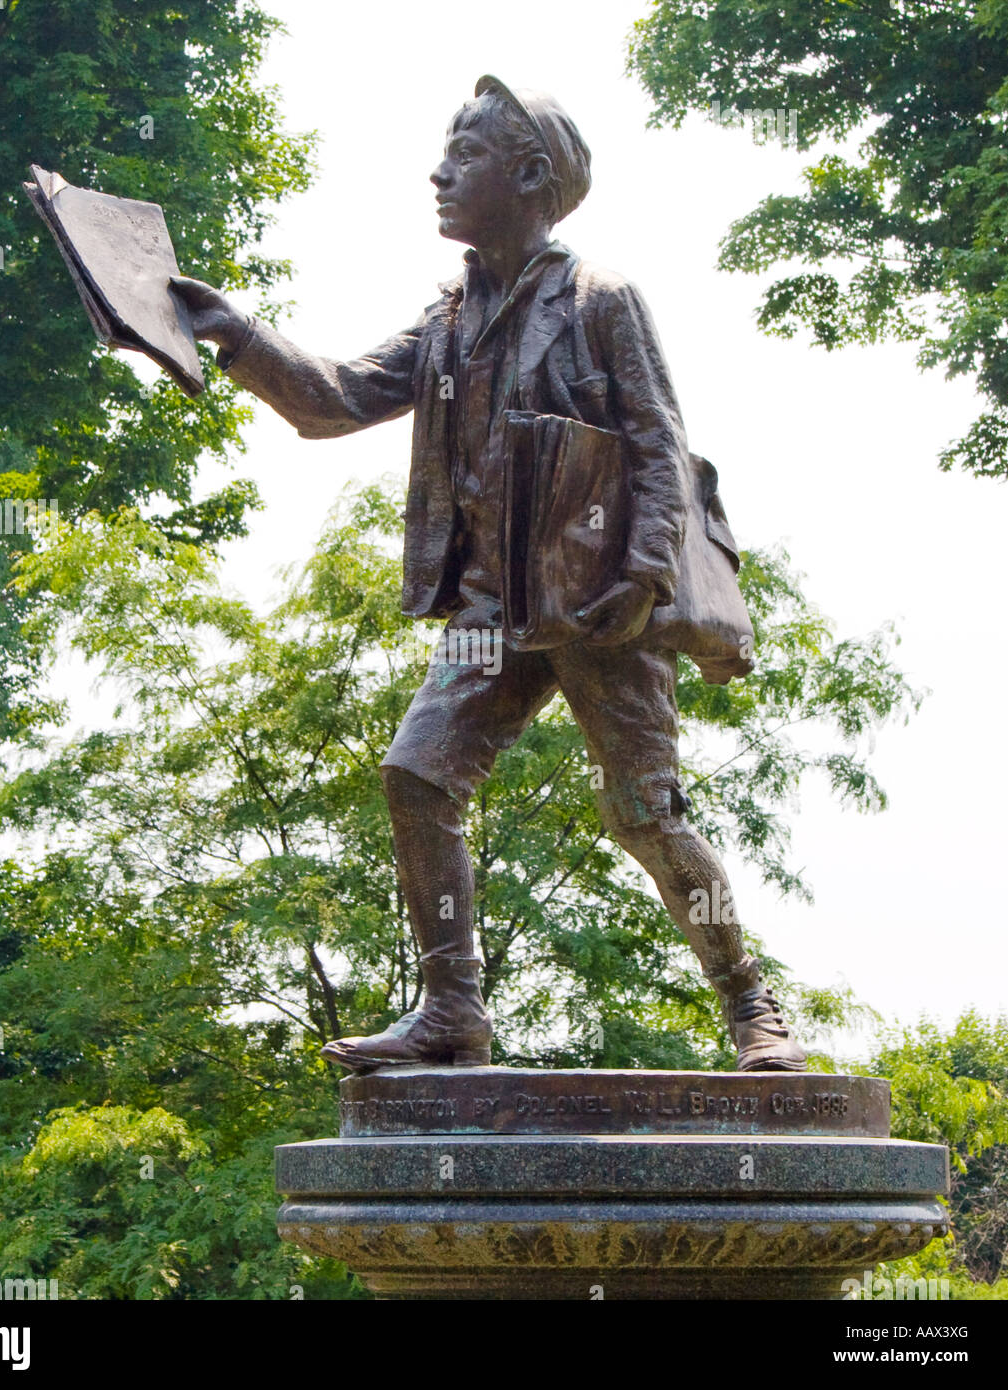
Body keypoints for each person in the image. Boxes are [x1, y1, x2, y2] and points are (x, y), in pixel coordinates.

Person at [171, 76, 807, 1074]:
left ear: (529, 175)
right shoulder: (449, 319)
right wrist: (235, 335)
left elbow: (656, 441)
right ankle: (451, 1009)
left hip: (601, 603)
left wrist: (641, 577)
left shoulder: (600, 301)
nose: (439, 171)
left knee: (645, 816)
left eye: (463, 152)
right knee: (417, 774)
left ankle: (751, 1007)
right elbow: (332, 399)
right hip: (492, 605)